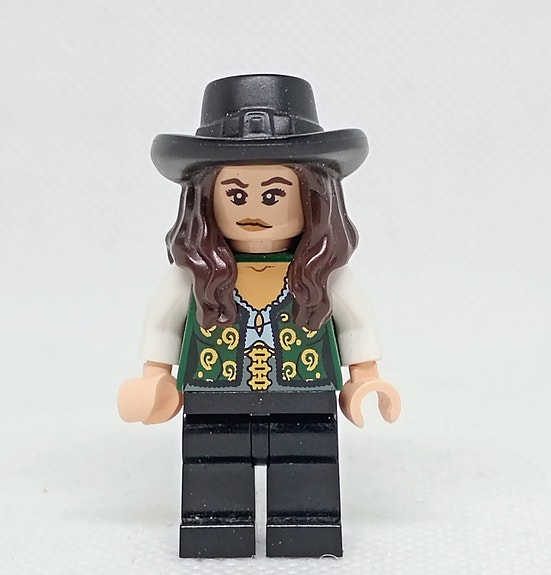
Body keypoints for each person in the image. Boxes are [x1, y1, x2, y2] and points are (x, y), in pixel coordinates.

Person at [118, 74, 401, 558]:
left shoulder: (323, 275)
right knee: (213, 469)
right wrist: (155, 378)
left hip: (305, 393)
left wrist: (365, 379)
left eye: (273, 195)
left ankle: (305, 528)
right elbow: (162, 324)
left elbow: (356, 323)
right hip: (214, 394)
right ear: (204, 199)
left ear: (313, 197)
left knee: (306, 468)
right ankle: (216, 529)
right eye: (234, 194)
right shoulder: (193, 277)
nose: (253, 208)